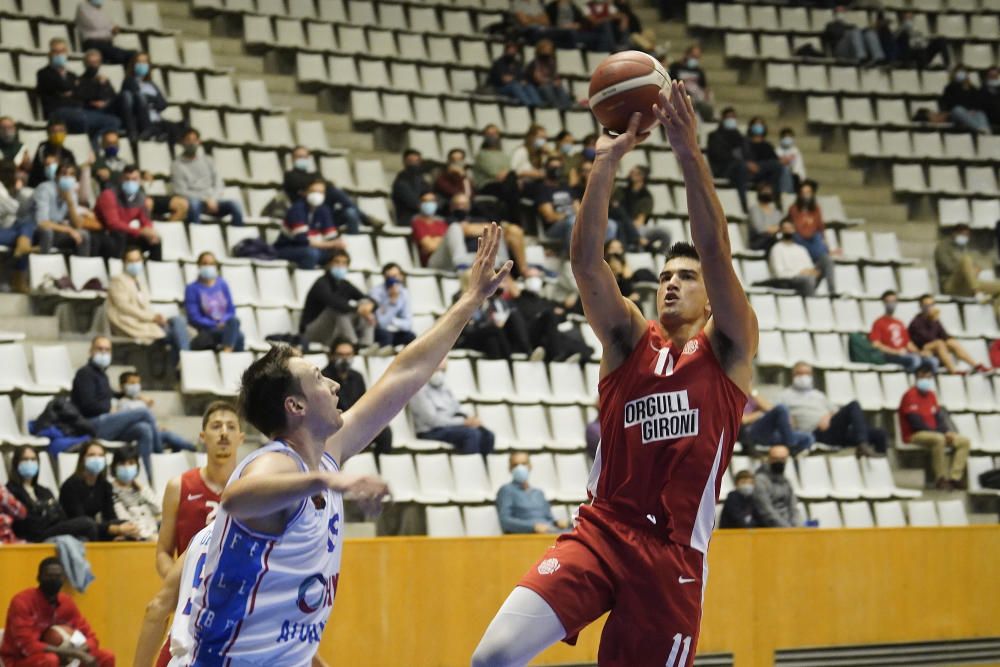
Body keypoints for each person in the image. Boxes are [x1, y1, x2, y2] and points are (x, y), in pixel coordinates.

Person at [474, 83, 758, 666]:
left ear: (712, 298)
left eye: (686, 276)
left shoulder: (730, 348)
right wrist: (604, 162)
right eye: (664, 276)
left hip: (672, 556)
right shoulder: (629, 340)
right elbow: (585, 263)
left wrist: (687, 154)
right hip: (601, 531)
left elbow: (714, 245)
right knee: (493, 657)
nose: (671, 283)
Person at [185, 225, 509, 663]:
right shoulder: (278, 464)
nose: (335, 384)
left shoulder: (326, 455)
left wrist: (470, 301)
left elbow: (403, 375)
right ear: (295, 405)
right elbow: (237, 499)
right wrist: (327, 481)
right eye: (319, 378)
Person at [155, 401, 243, 578]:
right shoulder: (178, 486)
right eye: (216, 426)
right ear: (203, 436)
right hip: (192, 600)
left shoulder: (253, 487)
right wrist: (179, 585)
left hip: (237, 596)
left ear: (241, 438)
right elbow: (163, 552)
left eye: (231, 427)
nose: (224, 433)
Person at [0, 557, 115, 667]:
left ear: (64, 579)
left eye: (58, 576)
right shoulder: (22, 601)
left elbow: (91, 638)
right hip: (21, 660)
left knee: (106, 656)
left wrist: (80, 651)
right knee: (50, 660)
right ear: (38, 577)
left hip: (65, 656)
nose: (53, 580)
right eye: (49, 576)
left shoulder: (66, 602)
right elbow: (27, 646)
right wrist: (72, 653)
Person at [779, 362, 887, 457]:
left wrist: (828, 416)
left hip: (833, 431)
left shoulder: (818, 395)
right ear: (793, 375)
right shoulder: (785, 396)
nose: (804, 377)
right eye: (800, 373)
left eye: (807, 374)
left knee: (880, 434)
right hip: (815, 434)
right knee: (853, 405)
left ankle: (878, 465)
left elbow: (835, 411)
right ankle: (862, 443)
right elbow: (777, 414)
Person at [108, 246, 189, 363]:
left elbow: (145, 306)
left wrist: (156, 317)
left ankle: (183, 361)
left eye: (137, 260)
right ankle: (185, 362)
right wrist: (152, 317)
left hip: (145, 321)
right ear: (124, 263)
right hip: (129, 322)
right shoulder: (118, 280)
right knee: (175, 334)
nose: (135, 264)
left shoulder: (140, 281)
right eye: (131, 261)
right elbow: (124, 307)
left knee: (178, 321)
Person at [899, 363, 971, 491]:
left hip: (935, 432)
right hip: (914, 435)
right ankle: (940, 478)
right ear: (918, 376)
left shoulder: (931, 395)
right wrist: (942, 434)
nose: (928, 380)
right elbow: (917, 424)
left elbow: (939, 418)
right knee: (939, 439)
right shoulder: (909, 395)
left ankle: (955, 478)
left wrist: (947, 431)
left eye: (929, 377)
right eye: (925, 377)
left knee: (964, 441)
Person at [36, 38, 121, 145]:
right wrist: (71, 91)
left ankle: (94, 149)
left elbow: (80, 94)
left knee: (113, 121)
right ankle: (90, 146)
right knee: (82, 119)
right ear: (50, 54)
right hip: (57, 112)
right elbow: (64, 87)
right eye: (56, 51)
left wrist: (101, 85)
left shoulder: (72, 75)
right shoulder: (43, 73)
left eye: (62, 51)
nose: (59, 54)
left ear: (66, 53)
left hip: (78, 110)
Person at [6, 448, 99, 542]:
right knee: (88, 523)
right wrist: (47, 514)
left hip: (51, 530)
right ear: (16, 463)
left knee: (83, 537)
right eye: (25, 459)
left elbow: (61, 516)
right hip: (32, 535)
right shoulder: (10, 490)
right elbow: (24, 522)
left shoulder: (44, 491)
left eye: (33, 459)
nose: (30, 463)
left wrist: (44, 514)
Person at [410, 360, 496, 455]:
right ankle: (469, 467)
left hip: (450, 426)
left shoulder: (444, 387)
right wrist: (463, 422)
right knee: (472, 435)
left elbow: (456, 408)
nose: (439, 374)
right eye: (436, 370)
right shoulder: (418, 390)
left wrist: (470, 419)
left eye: (443, 370)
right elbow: (433, 421)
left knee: (488, 435)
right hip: (430, 431)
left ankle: (482, 466)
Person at [322, 339, 393, 455]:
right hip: (337, 426)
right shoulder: (324, 378)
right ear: (332, 356)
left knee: (384, 431)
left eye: (348, 354)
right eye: (340, 355)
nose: (345, 359)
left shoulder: (357, 376)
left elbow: (364, 403)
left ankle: (377, 467)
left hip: (357, 423)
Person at [59, 441, 139, 541]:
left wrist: (121, 528)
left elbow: (111, 517)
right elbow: (79, 520)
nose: (97, 459)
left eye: (101, 455)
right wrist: (114, 530)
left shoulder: (105, 485)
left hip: (95, 528)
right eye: (91, 455)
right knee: (88, 525)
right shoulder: (70, 485)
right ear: (82, 459)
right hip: (75, 531)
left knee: (126, 525)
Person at [509, 271, 594, 362]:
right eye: (531, 277)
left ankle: (573, 356)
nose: (535, 280)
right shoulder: (518, 301)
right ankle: (558, 354)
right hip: (532, 336)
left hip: (550, 337)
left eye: (537, 277)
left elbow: (562, 316)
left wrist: (562, 311)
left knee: (586, 348)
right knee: (549, 316)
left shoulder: (544, 301)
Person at [300, 250, 375, 348]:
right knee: (337, 310)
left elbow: (368, 298)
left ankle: (366, 345)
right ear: (329, 264)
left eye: (344, 263)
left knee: (365, 303)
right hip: (312, 331)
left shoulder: (345, 284)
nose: (340, 265)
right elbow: (333, 302)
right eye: (337, 262)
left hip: (334, 330)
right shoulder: (321, 283)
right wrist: (358, 309)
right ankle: (353, 346)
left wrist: (370, 306)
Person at [282, 146, 365, 232]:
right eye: (299, 157)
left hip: (328, 210)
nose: (303, 159)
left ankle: (354, 238)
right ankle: (365, 218)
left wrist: (319, 183)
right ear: (292, 158)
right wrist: (320, 183)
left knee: (350, 212)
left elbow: (326, 184)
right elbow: (324, 184)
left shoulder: (315, 174)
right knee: (332, 190)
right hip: (308, 212)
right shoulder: (289, 175)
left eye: (305, 157)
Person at [171, 128, 244, 226]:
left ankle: (240, 238)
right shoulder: (177, 165)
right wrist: (205, 199)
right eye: (188, 140)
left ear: (199, 142)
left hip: (213, 201)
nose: (192, 143)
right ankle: (196, 236)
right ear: (182, 142)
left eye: (194, 140)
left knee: (235, 205)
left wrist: (213, 198)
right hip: (195, 201)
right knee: (194, 204)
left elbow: (219, 183)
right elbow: (180, 191)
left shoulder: (208, 160)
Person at [94, 164, 163, 259]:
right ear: (121, 179)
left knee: (155, 240)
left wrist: (149, 231)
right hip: (105, 234)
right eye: (127, 179)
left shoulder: (140, 196)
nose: (130, 182)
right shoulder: (109, 195)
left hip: (125, 232)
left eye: (134, 179)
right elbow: (113, 224)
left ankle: (155, 270)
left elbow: (145, 219)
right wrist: (139, 231)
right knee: (119, 236)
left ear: (140, 181)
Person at [117, 370, 196, 452]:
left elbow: (151, 419)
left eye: (138, 383)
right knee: (168, 436)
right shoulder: (122, 403)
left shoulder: (141, 402)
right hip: (140, 435)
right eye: (132, 383)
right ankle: (194, 448)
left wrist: (157, 427)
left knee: (174, 443)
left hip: (153, 432)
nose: (136, 386)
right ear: (122, 386)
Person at [276, 178, 346, 269]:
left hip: (315, 248)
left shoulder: (324, 210)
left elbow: (331, 237)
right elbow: (303, 240)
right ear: (304, 192)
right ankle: (305, 278)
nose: (317, 195)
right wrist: (332, 244)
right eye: (313, 191)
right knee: (311, 254)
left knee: (340, 256)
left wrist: (338, 246)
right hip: (288, 248)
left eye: (321, 192)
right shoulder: (297, 209)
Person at [908, 294, 986, 374]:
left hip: (936, 349)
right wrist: (932, 321)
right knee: (939, 343)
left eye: (932, 305)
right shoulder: (916, 322)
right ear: (921, 306)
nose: (930, 308)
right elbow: (928, 339)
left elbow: (944, 335)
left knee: (951, 342)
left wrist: (951, 340)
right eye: (927, 305)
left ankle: (976, 365)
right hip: (922, 350)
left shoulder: (934, 319)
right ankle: (953, 370)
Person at [184, 252, 245, 352]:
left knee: (234, 321)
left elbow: (231, 310)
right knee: (239, 336)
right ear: (199, 266)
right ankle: (229, 357)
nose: (208, 266)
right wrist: (215, 324)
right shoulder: (191, 288)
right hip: (206, 330)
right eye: (205, 263)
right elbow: (194, 317)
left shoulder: (222, 284)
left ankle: (226, 353)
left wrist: (223, 322)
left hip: (225, 327)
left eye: (212, 264)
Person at [28, 161, 92, 257]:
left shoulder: (71, 193)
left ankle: (80, 271)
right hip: (33, 231)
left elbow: (78, 225)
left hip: (56, 231)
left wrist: (70, 203)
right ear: (56, 176)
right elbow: (42, 222)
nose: (67, 177)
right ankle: (43, 268)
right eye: (63, 173)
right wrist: (69, 230)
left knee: (84, 235)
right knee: (47, 232)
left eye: (71, 174)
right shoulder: (45, 189)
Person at [121, 52, 185, 147]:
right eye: (139, 62)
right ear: (133, 64)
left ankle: (161, 135)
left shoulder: (151, 84)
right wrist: (153, 100)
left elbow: (163, 104)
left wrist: (151, 100)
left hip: (156, 119)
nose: (142, 65)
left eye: (145, 62)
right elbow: (138, 99)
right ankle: (157, 134)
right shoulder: (129, 81)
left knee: (180, 128)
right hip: (142, 121)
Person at [496, 452, 568, 533]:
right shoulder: (506, 490)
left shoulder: (539, 493)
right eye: (515, 465)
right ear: (510, 468)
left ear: (530, 466)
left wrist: (557, 522)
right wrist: (532, 527)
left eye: (524, 464)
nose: (520, 468)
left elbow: (549, 518)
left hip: (550, 531)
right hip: (529, 536)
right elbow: (505, 521)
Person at [869, 290, 939, 374]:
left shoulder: (900, 323)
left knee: (933, 361)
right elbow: (876, 344)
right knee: (915, 360)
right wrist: (895, 352)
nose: (891, 304)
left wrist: (920, 353)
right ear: (884, 303)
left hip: (905, 354)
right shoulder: (878, 322)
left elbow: (908, 343)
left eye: (893, 301)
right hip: (890, 356)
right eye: (888, 301)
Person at [787, 180, 836, 296]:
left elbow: (820, 227)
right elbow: (798, 229)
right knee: (804, 237)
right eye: (803, 192)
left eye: (808, 192)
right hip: (800, 242)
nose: (806, 195)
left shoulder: (816, 209)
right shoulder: (794, 209)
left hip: (814, 242)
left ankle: (832, 291)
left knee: (827, 260)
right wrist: (807, 224)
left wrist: (826, 246)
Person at [935, 223, 1000, 308]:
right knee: (966, 259)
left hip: (968, 284)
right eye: (963, 234)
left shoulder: (962, 247)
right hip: (950, 285)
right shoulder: (942, 247)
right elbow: (948, 268)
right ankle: (977, 292)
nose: (965, 237)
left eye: (967, 235)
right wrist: (968, 269)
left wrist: (976, 269)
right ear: (954, 233)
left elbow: (972, 266)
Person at [612, 165, 672, 252]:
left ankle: (661, 255)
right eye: (631, 172)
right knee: (619, 224)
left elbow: (640, 221)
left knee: (665, 232)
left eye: (635, 172)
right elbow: (615, 209)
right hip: (619, 224)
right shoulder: (621, 191)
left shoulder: (646, 196)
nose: (631, 174)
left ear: (642, 176)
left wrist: (631, 228)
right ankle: (639, 245)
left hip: (636, 227)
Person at [108, 445, 160, 541]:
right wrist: (149, 537)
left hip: (154, 534)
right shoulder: (110, 491)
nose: (127, 467)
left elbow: (158, 509)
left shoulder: (140, 489)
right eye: (122, 464)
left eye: (131, 463)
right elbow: (125, 521)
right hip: (136, 539)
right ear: (114, 466)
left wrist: (142, 488)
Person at [741, 390, 814, 456]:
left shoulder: (752, 395)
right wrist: (760, 414)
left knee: (808, 437)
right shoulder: (734, 395)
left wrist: (752, 392)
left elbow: (769, 408)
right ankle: (790, 446)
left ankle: (790, 446)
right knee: (781, 408)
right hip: (749, 432)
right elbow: (743, 420)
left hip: (768, 433)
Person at [706, 107, 752, 211]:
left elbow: (747, 154)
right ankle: (743, 205)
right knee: (740, 167)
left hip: (742, 167)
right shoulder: (714, 136)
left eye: (733, 118)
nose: (731, 120)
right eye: (728, 117)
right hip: (723, 169)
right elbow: (718, 155)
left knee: (771, 167)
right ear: (722, 119)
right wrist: (737, 159)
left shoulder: (741, 137)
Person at [535, 155, 581, 251]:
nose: (556, 170)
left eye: (559, 167)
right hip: (554, 228)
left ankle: (601, 257)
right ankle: (571, 257)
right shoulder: (542, 189)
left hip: (572, 220)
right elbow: (550, 217)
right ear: (547, 169)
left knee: (610, 225)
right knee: (573, 221)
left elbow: (579, 210)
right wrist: (568, 215)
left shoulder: (566, 187)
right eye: (553, 167)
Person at [769, 218, 821, 297]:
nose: (788, 231)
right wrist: (800, 272)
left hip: (807, 279)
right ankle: (812, 304)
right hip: (788, 281)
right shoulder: (777, 249)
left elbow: (810, 269)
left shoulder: (801, 249)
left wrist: (812, 272)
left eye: (790, 228)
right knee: (808, 280)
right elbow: (779, 274)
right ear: (781, 231)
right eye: (785, 229)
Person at [752, 446, 801, 528]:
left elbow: (793, 507)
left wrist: (796, 526)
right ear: (769, 459)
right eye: (775, 458)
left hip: (789, 527)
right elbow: (766, 511)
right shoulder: (760, 480)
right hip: (768, 529)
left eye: (782, 459)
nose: (779, 462)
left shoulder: (786, 481)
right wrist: (787, 528)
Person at [370, 264, 417, 348]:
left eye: (395, 276)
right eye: (389, 277)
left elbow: (408, 324)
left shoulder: (404, 293)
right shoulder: (376, 292)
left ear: (401, 276)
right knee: (385, 336)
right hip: (380, 332)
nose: (392, 280)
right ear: (384, 278)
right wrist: (393, 301)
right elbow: (382, 323)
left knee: (411, 337)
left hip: (397, 330)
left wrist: (393, 321)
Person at [76, 0, 135, 64]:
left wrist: (110, 30)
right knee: (121, 56)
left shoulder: (100, 10)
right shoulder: (83, 7)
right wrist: (110, 31)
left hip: (106, 44)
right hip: (92, 44)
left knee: (133, 54)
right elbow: (96, 24)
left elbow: (111, 26)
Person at [746, 117, 793, 197]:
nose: (758, 126)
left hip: (768, 172)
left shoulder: (767, 146)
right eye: (756, 124)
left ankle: (786, 195)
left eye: (760, 124)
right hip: (752, 171)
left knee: (784, 169)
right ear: (751, 127)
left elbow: (775, 160)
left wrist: (782, 160)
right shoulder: (746, 144)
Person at [939, 65, 992, 135]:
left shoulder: (973, 88)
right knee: (958, 109)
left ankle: (986, 131)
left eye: (963, 71)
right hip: (956, 113)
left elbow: (978, 102)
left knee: (981, 114)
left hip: (971, 113)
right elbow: (949, 103)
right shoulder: (950, 87)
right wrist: (966, 110)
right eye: (958, 72)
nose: (961, 74)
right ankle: (980, 129)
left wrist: (973, 110)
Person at [489, 40, 542, 107]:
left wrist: (521, 80)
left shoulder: (517, 63)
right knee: (515, 86)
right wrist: (517, 79)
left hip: (516, 84)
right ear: (506, 50)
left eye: (514, 50)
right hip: (500, 88)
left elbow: (522, 77)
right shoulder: (499, 62)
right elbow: (505, 79)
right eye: (511, 50)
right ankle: (529, 105)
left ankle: (538, 104)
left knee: (528, 85)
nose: (513, 52)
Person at [667, 45, 714, 121]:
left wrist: (706, 95)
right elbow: (671, 81)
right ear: (687, 54)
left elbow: (705, 86)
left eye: (697, 57)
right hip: (679, 94)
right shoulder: (675, 67)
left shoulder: (699, 70)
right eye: (693, 56)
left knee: (707, 105)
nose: (695, 59)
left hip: (696, 97)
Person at [28, 119, 78, 188]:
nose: (57, 134)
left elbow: (75, 172)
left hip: (64, 187)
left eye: (61, 131)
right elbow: (40, 170)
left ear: (65, 133)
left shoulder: (68, 153)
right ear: (48, 133)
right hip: (41, 185)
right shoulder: (43, 148)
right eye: (54, 131)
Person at [526, 38, 573, 108]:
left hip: (551, 84)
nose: (548, 50)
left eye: (549, 48)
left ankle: (568, 107)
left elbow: (555, 77)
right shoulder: (534, 63)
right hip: (538, 88)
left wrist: (557, 81)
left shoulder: (551, 62)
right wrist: (551, 81)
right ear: (540, 49)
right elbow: (539, 80)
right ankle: (557, 107)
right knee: (547, 87)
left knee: (559, 87)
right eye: (546, 48)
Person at [411, 191, 451, 267]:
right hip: (431, 262)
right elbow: (430, 246)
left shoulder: (441, 223)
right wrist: (442, 240)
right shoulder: (417, 223)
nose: (429, 204)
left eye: (432, 201)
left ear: (436, 204)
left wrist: (435, 240)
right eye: (425, 201)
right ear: (419, 204)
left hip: (447, 259)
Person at [391, 148, 430, 225]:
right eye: (410, 161)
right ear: (404, 162)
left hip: (425, 216)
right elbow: (414, 203)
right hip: (408, 218)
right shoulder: (401, 181)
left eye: (416, 161)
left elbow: (431, 194)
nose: (414, 164)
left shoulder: (421, 179)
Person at [747, 182, 782, 252]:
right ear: (759, 193)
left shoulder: (776, 212)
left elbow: (781, 227)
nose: (767, 193)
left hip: (773, 238)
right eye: (765, 191)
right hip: (757, 241)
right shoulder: (754, 210)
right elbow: (760, 229)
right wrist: (773, 229)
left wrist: (771, 229)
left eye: (769, 191)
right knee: (775, 242)